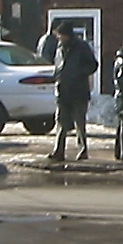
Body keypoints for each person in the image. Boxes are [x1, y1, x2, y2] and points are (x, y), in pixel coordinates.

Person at [39, 20, 98, 161]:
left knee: (79, 122)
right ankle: (58, 151)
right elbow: (58, 66)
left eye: (60, 35)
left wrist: (79, 73)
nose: (58, 37)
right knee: (61, 121)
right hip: (62, 90)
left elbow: (93, 65)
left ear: (67, 35)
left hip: (78, 91)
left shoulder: (82, 47)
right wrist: (56, 77)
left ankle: (83, 151)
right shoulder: (59, 48)